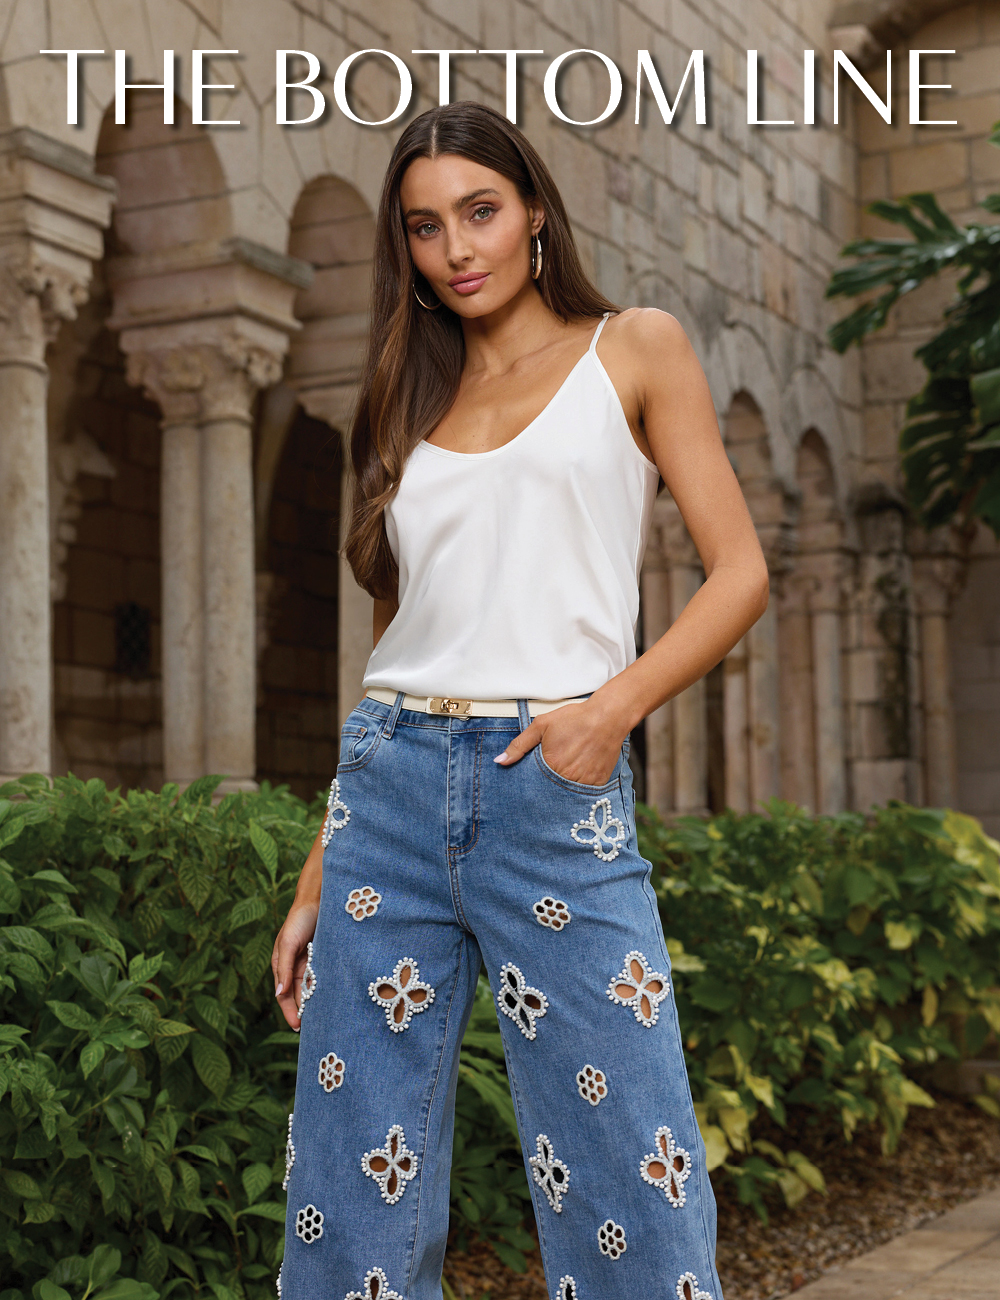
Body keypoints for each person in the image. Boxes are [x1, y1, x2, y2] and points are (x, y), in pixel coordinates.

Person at [271, 100, 766, 1300]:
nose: (457, 247)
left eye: (480, 210)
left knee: (628, 1163)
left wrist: (610, 710)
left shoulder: (632, 348)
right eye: (425, 226)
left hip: (551, 777)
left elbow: (741, 572)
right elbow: (403, 636)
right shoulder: (406, 396)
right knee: (349, 1177)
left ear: (534, 209)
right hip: (388, 787)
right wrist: (319, 869)